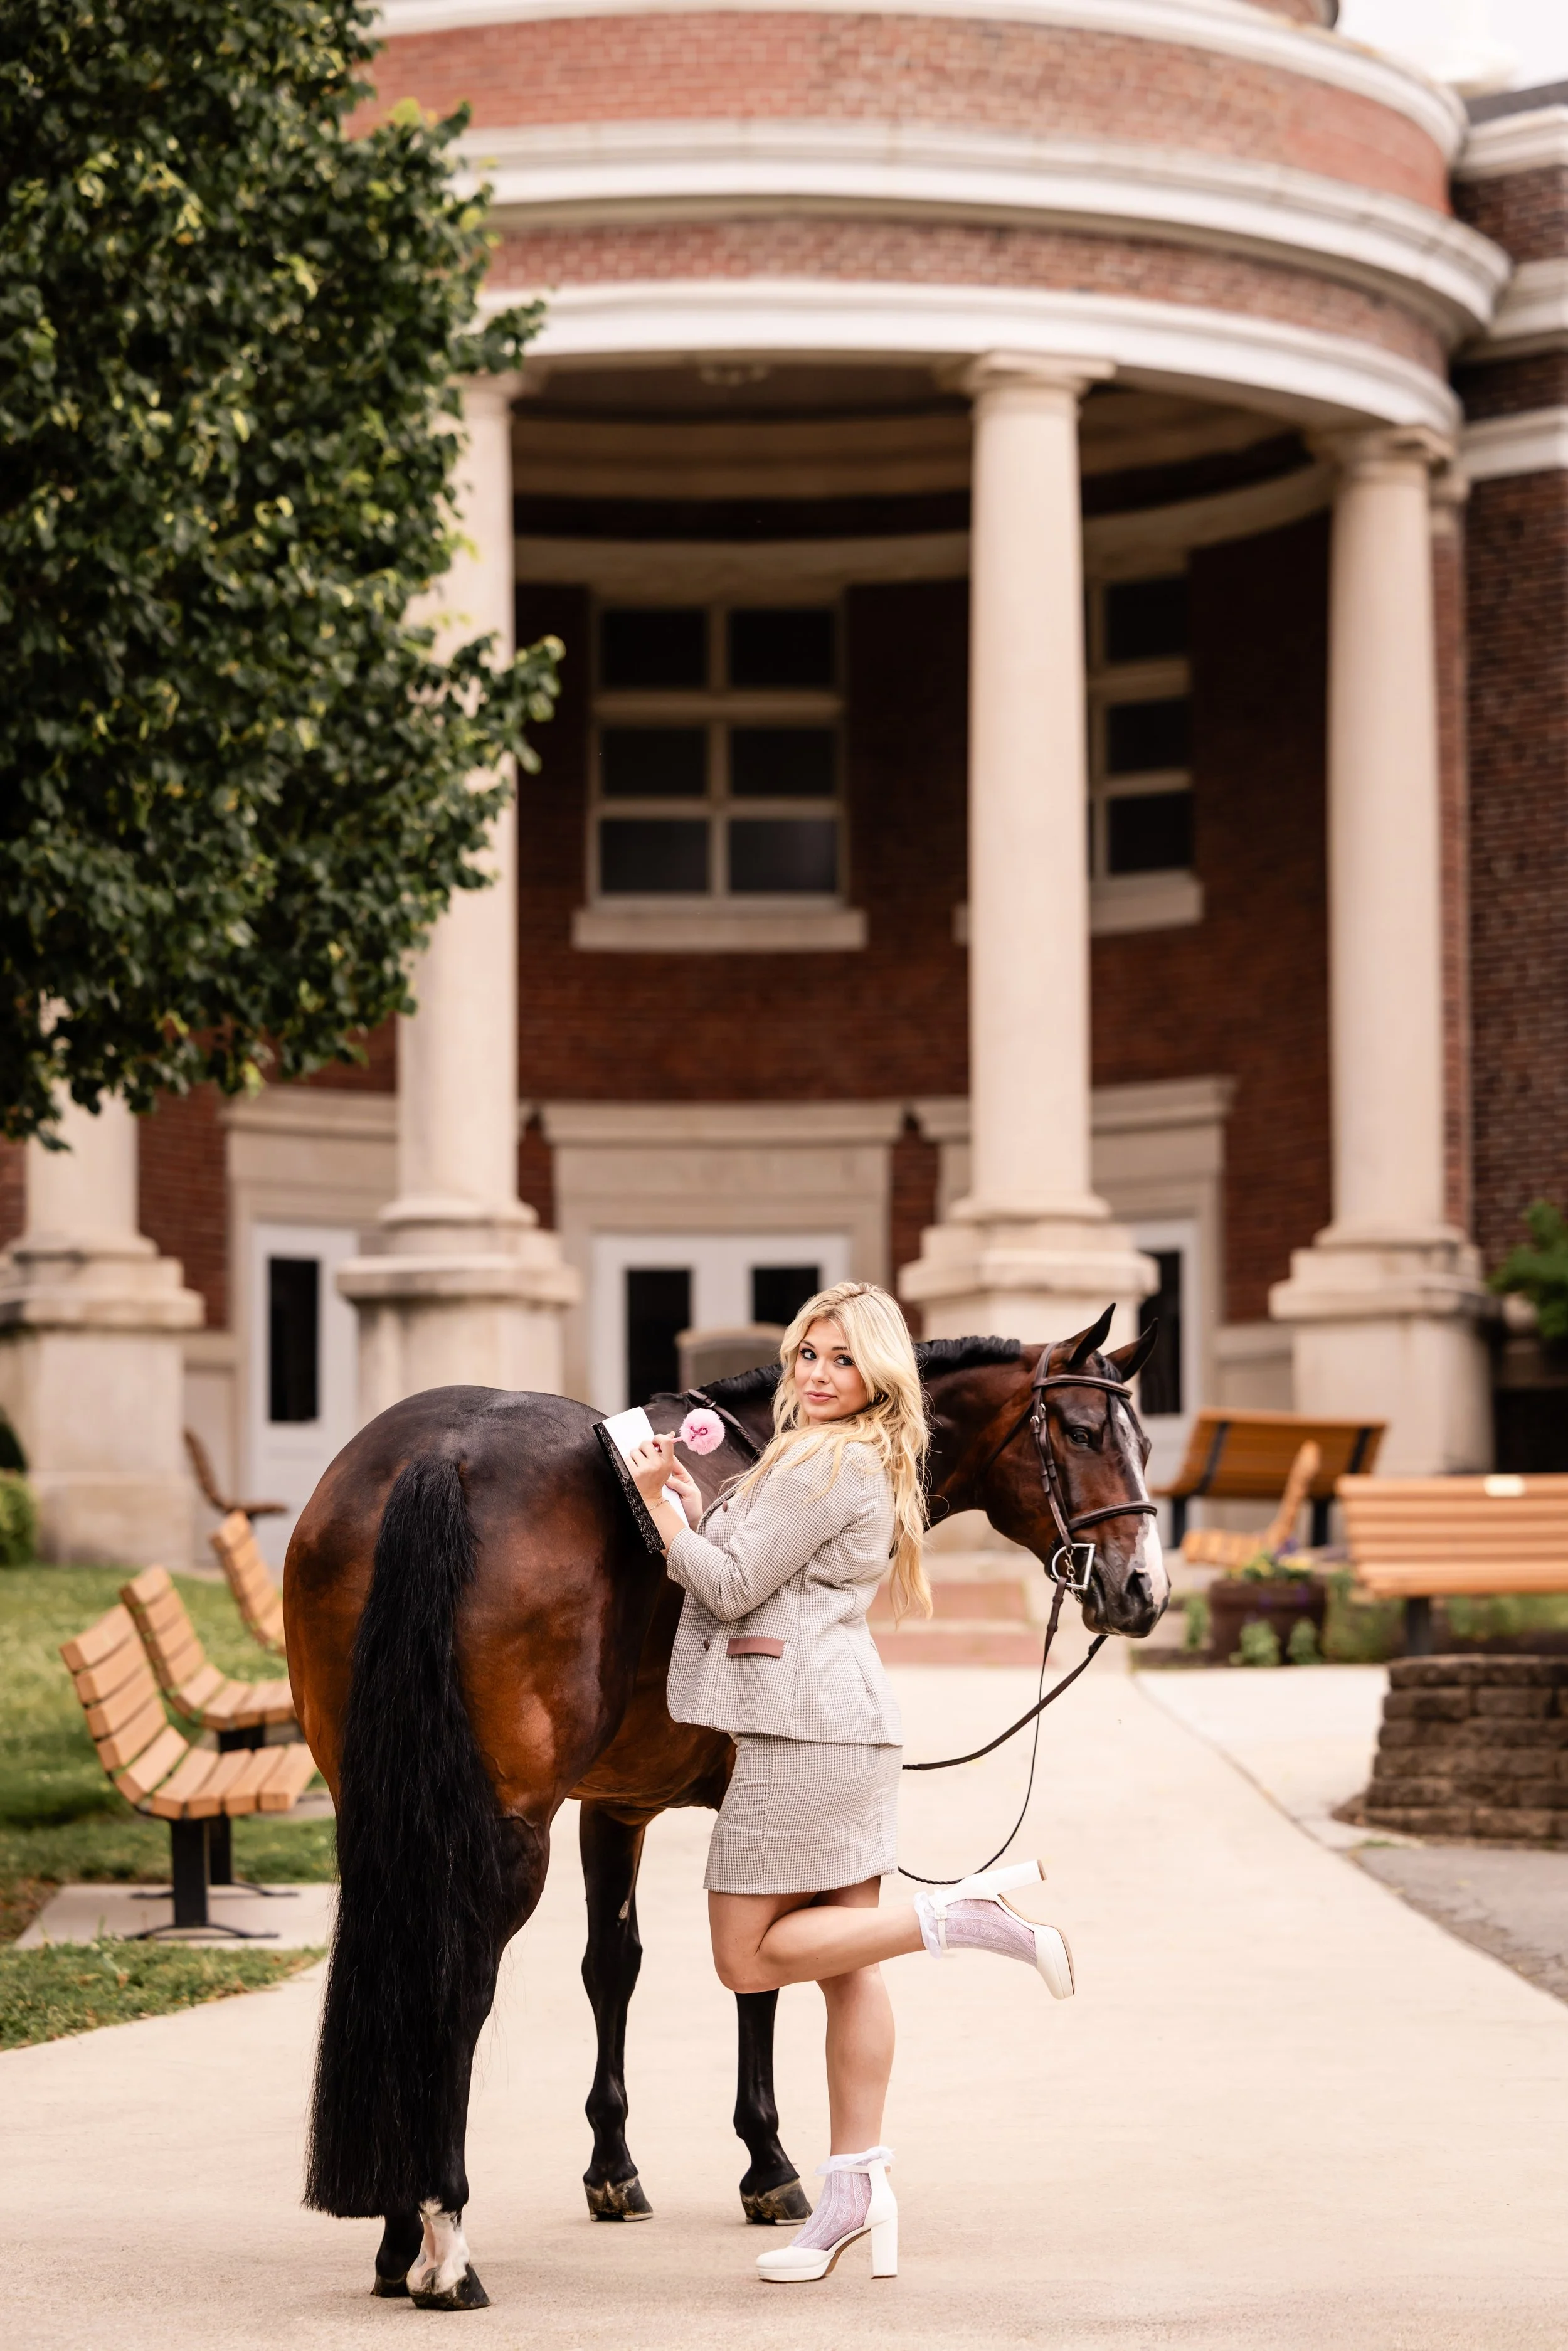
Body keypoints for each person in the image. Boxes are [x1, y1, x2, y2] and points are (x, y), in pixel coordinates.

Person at [626, 1279, 1074, 2286]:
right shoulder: (855, 1457)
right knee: (844, 1969)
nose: (820, 1375)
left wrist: (659, 1506)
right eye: (807, 1355)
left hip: (804, 1734)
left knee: (745, 1958)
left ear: (879, 1373)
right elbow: (754, 1563)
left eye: (841, 1359)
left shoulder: (824, 1460)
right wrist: (698, 1509)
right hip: (841, 1727)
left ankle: (961, 1917)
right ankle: (853, 2194)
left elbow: (732, 1588)